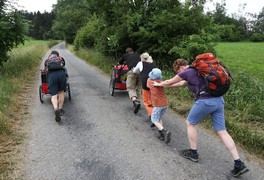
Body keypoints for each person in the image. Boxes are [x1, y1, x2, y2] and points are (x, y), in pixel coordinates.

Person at [153, 58, 249, 177]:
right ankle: (238, 163)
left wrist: (158, 84)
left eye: (177, 72)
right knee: (222, 132)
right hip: (219, 101)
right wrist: (164, 86)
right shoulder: (198, 71)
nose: (178, 74)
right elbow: (179, 84)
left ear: (180, 68)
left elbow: (170, 82)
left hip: (205, 101)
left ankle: (193, 153)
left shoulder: (186, 72)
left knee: (190, 123)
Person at [147, 68, 171, 143]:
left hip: (158, 104)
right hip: (165, 104)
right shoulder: (161, 82)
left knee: (154, 119)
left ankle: (164, 131)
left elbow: (147, 87)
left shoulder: (149, 81)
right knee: (159, 117)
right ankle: (162, 135)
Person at [44, 50, 67, 122]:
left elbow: (45, 71)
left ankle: (56, 109)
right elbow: (64, 67)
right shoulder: (60, 58)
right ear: (57, 55)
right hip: (61, 74)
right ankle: (60, 109)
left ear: (50, 55)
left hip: (52, 76)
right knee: (61, 92)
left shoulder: (48, 60)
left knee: (54, 96)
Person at [133, 52, 155, 126]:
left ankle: (152, 116)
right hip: (154, 84)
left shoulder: (140, 63)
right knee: (152, 100)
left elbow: (135, 71)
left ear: (142, 58)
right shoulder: (153, 64)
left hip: (146, 84)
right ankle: (155, 114)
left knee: (146, 101)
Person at [119, 47, 141, 114]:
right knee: (138, 87)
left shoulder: (125, 55)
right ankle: (138, 101)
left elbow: (120, 62)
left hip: (132, 71)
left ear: (127, 53)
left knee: (130, 87)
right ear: (133, 51)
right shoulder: (138, 55)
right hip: (140, 71)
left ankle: (135, 101)